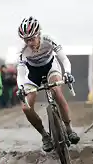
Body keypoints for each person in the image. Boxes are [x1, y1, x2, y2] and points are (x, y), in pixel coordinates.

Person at [16, 16, 80, 152]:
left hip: (51, 68)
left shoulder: (49, 39)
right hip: (32, 74)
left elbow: (64, 58)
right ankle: (45, 136)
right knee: (26, 108)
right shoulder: (22, 50)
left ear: (39, 34)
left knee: (56, 91)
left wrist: (67, 72)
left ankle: (69, 129)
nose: (30, 43)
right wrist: (21, 87)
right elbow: (21, 73)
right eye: (26, 40)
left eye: (32, 38)